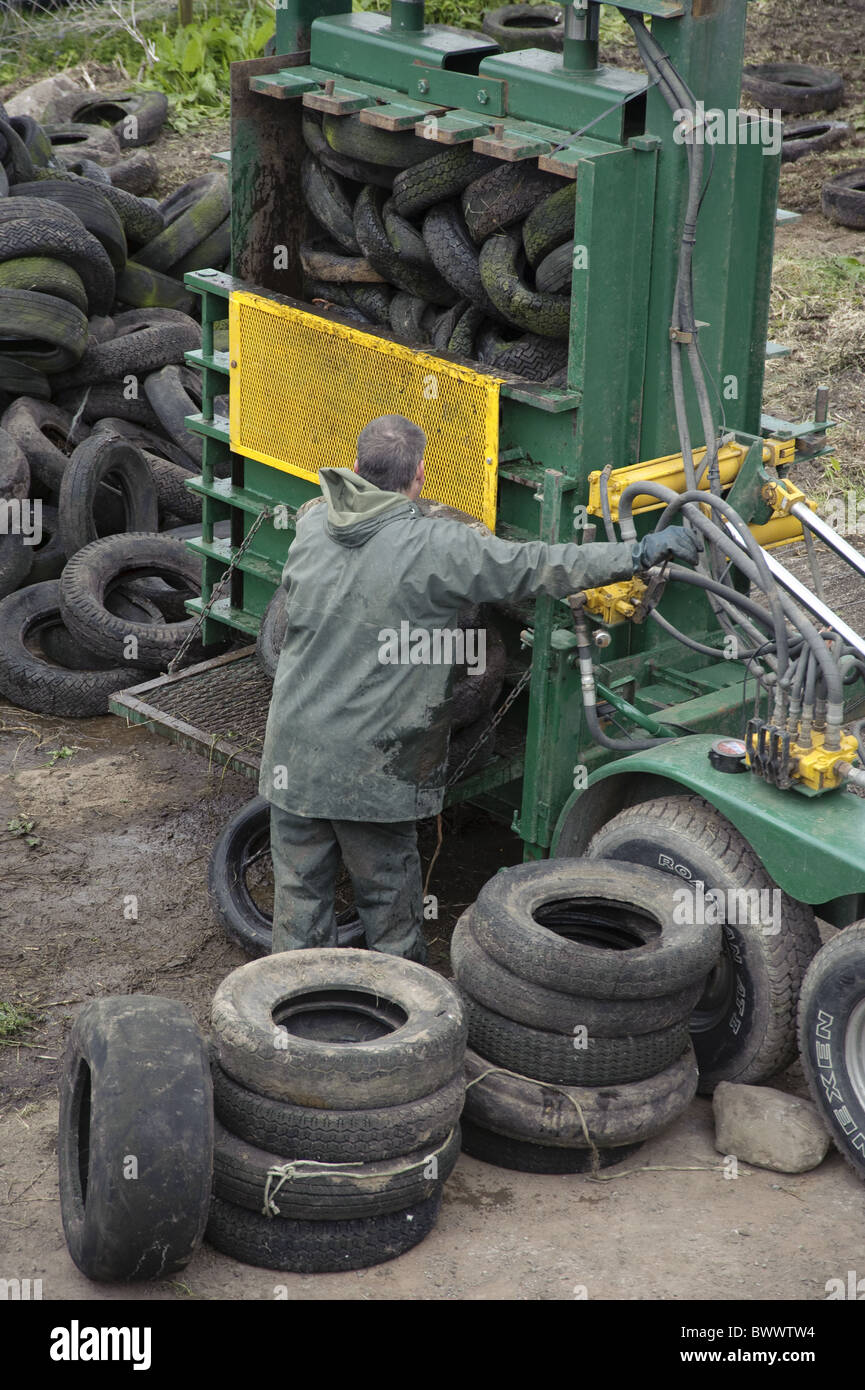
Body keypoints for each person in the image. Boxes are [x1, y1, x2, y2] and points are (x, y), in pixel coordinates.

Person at [259, 414, 699, 961]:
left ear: (355, 466)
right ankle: (401, 1029)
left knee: (299, 908)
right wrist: (639, 553)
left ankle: (288, 1018)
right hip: (372, 775)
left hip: (293, 759)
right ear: (420, 476)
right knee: (389, 914)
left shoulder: (310, 527)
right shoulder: (440, 549)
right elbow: (541, 566)